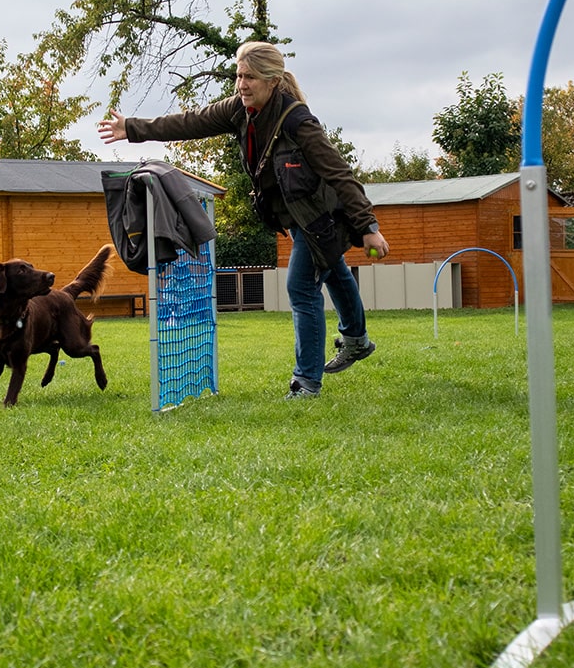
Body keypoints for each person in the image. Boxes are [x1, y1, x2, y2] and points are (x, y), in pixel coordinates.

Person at [97, 41, 390, 400]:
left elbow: (340, 174)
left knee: (301, 286)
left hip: (321, 218)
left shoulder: (298, 122)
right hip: (296, 217)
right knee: (332, 269)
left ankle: (307, 383)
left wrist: (367, 227)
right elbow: (190, 121)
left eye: (250, 77)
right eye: (238, 76)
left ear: (273, 81)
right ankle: (357, 340)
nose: (241, 84)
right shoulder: (239, 110)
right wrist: (132, 127)